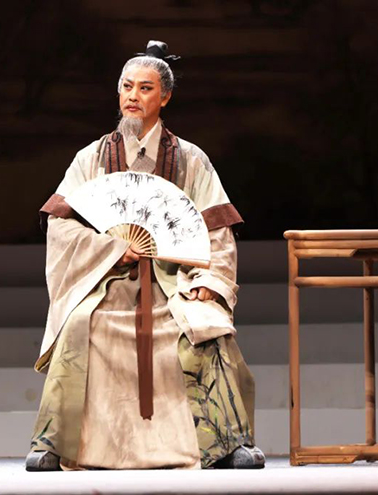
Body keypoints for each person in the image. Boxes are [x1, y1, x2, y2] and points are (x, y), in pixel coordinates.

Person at [27, 40, 264, 471]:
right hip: (109, 280)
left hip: (177, 281)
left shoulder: (190, 159)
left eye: (145, 88)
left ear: (165, 97)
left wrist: (209, 283)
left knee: (205, 326)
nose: (133, 97)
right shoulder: (92, 159)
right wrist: (113, 249)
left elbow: (217, 231)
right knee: (79, 323)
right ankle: (56, 442)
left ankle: (226, 442)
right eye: (126, 87)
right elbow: (62, 227)